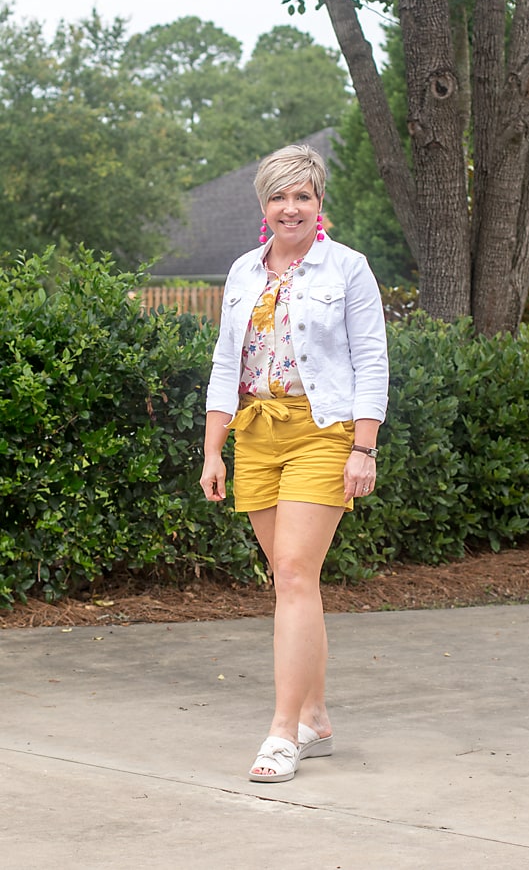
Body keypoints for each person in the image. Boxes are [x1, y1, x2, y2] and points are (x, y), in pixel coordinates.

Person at [200, 143, 388, 783]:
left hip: (323, 431)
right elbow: (228, 364)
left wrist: (363, 447)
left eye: (302, 195)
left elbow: (372, 362)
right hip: (256, 432)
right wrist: (213, 448)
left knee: (295, 571)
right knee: (291, 582)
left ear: (319, 203)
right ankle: (315, 716)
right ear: (264, 205)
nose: (290, 207)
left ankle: (283, 734)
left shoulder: (348, 270)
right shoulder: (242, 272)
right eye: (278, 196)